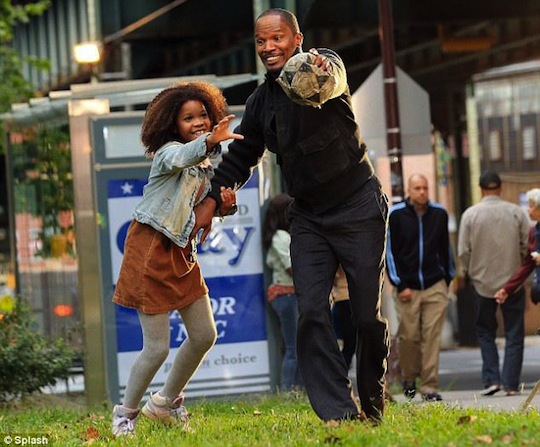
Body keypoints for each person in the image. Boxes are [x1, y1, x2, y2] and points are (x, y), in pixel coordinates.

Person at [191, 8, 389, 423]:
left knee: (366, 317)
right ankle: (339, 410)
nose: (268, 48)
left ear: (297, 39)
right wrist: (209, 204)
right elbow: (240, 158)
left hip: (357, 205)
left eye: (277, 38)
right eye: (261, 41)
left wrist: (319, 64)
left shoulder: (321, 67)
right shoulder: (261, 103)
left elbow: (329, 75)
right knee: (312, 313)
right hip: (309, 218)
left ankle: (372, 399)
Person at [110, 81, 243, 436]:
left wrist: (224, 208)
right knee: (156, 348)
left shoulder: (204, 167)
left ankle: (164, 403)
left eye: (203, 115)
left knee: (204, 334)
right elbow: (180, 157)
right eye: (188, 118)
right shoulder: (168, 153)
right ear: (173, 125)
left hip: (181, 252)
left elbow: (196, 211)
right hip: (149, 250)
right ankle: (125, 415)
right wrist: (211, 140)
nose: (198, 122)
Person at [457, 170, 529, 397]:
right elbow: (527, 246)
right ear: (500, 188)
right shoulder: (516, 212)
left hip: (482, 284)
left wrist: (465, 274)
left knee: (485, 332)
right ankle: (510, 384)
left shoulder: (470, 215)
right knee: (514, 333)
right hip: (512, 284)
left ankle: (491, 379)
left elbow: (463, 251)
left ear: (481, 189)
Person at [386, 173, 455, 402]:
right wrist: (399, 283)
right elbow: (390, 252)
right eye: (417, 188)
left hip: (435, 284)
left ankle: (429, 386)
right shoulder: (396, 215)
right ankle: (408, 376)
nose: (422, 192)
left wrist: (447, 278)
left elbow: (446, 249)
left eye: (425, 187)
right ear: (409, 189)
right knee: (409, 337)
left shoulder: (439, 214)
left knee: (431, 336)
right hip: (407, 287)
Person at [262, 193, 302, 391]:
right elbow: (290, 266)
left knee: (295, 345)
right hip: (286, 294)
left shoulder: (279, 236)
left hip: (286, 295)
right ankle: (287, 391)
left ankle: (297, 389)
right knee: (294, 347)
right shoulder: (281, 237)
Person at [494, 188, 540, 307]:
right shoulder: (534, 232)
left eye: (531, 206)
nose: (528, 210)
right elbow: (527, 265)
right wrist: (507, 289)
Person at [331, 265, 357, 372]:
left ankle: (340, 372)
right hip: (347, 296)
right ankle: (340, 372)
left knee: (348, 342)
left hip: (342, 296)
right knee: (350, 342)